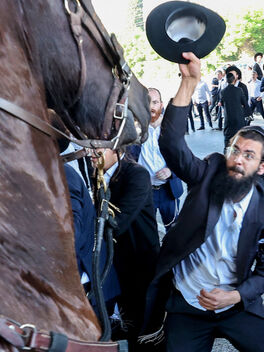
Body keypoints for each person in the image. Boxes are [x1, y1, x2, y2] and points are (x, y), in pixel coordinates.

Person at [141, 51, 264, 352]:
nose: (237, 160)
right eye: (234, 150)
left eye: (248, 155)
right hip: (187, 304)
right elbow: (171, 144)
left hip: (236, 305)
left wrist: (234, 297)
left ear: (261, 167)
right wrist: (189, 81)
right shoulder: (209, 170)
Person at [89, 147, 159, 351]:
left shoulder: (137, 174)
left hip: (141, 256)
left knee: (144, 321)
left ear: (117, 149)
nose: (91, 152)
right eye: (89, 147)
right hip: (117, 257)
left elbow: (118, 221)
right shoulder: (98, 173)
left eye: (97, 147)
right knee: (126, 314)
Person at [137, 88, 183, 230]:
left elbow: (183, 160)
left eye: (155, 102)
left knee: (173, 229)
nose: (151, 106)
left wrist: (171, 171)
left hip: (167, 191)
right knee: (146, 230)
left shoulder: (172, 129)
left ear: (161, 105)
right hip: (145, 192)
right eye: (147, 102)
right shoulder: (135, 130)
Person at [221, 72, 251, 151]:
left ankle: (226, 155)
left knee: (227, 139)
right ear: (234, 80)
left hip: (228, 118)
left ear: (226, 80)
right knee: (240, 137)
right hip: (239, 118)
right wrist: (249, 114)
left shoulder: (223, 91)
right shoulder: (239, 90)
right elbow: (245, 103)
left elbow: (221, 103)